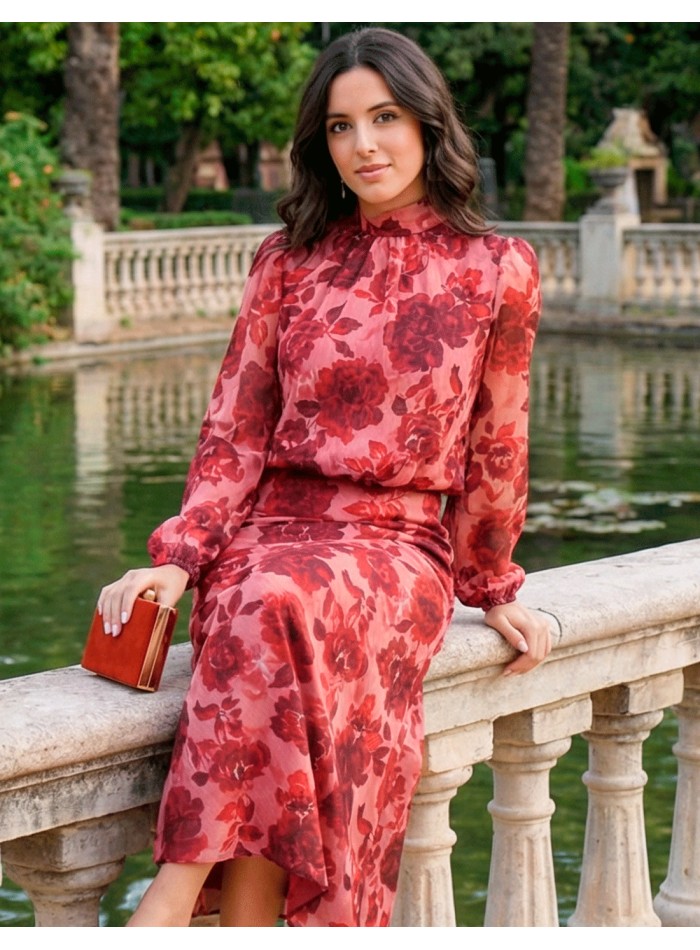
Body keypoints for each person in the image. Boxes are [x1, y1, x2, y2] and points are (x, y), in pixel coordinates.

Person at [98, 26, 551, 928]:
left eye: (384, 118)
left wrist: (491, 582)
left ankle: (173, 894)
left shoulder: (495, 269)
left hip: (396, 544)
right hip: (271, 530)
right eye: (341, 127)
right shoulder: (287, 261)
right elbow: (235, 429)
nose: (365, 145)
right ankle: (241, 915)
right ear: (322, 144)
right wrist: (181, 557)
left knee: (279, 604)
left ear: (428, 124)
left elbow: (499, 441)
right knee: (266, 596)